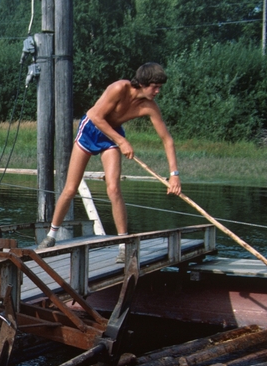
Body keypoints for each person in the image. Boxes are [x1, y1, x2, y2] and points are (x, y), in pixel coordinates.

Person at [39, 62, 181, 250]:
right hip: (90, 131)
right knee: (71, 188)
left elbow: (167, 139)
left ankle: (123, 244)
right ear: (142, 82)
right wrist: (121, 141)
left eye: (159, 88)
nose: (157, 92)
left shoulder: (150, 107)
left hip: (111, 136)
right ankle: (51, 235)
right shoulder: (119, 88)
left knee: (113, 188)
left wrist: (174, 174)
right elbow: (95, 116)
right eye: (154, 87)